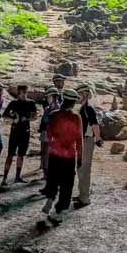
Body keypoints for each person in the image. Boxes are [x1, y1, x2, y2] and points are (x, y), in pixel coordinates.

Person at [42, 88, 83, 224]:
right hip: (69, 155)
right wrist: (80, 157)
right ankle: (60, 211)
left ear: (63, 99)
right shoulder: (76, 117)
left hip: (55, 153)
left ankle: (50, 198)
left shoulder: (54, 115)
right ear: (73, 102)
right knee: (67, 184)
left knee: (53, 179)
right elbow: (79, 139)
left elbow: (48, 135)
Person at [1, 85, 38, 185]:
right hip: (15, 131)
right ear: (18, 93)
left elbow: (35, 116)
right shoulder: (14, 103)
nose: (25, 94)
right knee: (10, 155)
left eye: (26, 92)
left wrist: (27, 119)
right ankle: (4, 178)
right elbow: (4, 116)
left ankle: (17, 177)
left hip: (25, 132)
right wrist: (14, 120)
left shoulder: (31, 103)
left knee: (21, 155)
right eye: (23, 92)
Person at [74, 84, 103, 209]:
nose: (77, 97)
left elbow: (94, 124)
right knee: (81, 167)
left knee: (84, 168)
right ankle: (82, 193)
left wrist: (98, 138)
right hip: (83, 140)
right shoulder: (84, 107)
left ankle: (84, 198)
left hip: (87, 141)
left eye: (79, 94)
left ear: (85, 94)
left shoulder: (88, 108)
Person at [38, 86, 61, 187]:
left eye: (49, 96)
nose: (47, 98)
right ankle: (46, 176)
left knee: (50, 156)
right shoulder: (47, 108)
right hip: (45, 133)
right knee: (44, 155)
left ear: (54, 97)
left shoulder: (58, 108)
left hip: (52, 134)